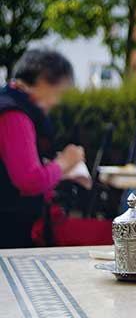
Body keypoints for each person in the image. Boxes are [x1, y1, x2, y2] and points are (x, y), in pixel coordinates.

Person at [0, 49, 87, 248]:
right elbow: (29, 182)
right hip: (10, 234)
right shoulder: (15, 117)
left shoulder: (9, 103)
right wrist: (64, 163)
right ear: (43, 81)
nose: (57, 101)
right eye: (60, 92)